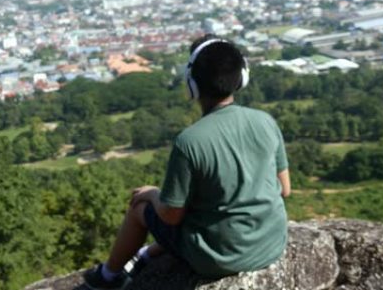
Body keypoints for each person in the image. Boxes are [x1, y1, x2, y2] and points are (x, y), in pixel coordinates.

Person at [84, 35, 291, 290]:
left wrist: (152, 194)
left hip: (219, 258)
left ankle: (108, 276)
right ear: (241, 78)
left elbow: (171, 215)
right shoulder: (265, 121)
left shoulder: (190, 141)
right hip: (271, 244)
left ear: (192, 83)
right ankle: (147, 255)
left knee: (140, 207)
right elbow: (285, 189)